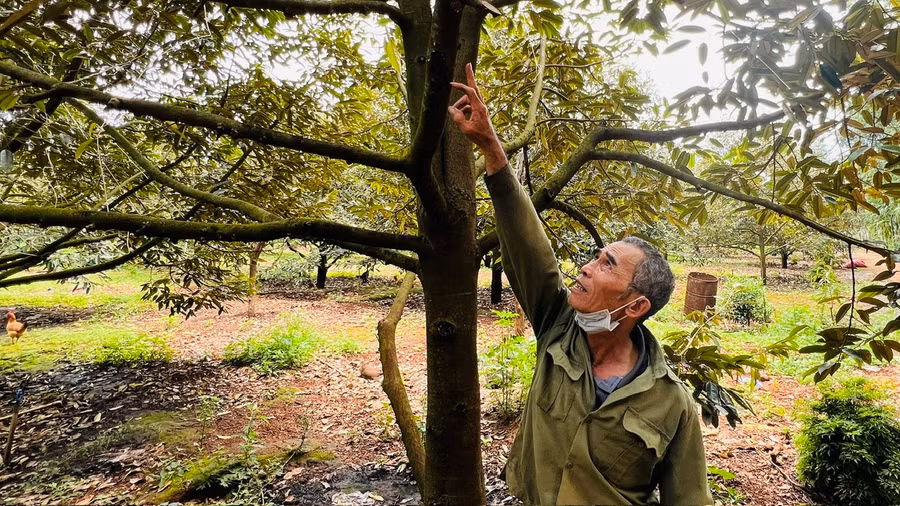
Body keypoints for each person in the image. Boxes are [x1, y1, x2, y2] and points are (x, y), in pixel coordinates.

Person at [449, 63, 712, 505]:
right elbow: (533, 254)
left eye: (607, 265)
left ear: (635, 307)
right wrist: (492, 149)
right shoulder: (558, 328)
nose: (588, 267)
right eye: (596, 256)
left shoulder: (672, 406)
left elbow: (689, 499)